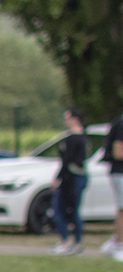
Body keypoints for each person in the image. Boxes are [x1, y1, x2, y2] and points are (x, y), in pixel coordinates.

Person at [49, 108, 89, 256]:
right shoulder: (83, 137)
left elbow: (67, 160)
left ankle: (68, 241)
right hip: (76, 177)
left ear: (75, 119)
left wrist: (58, 178)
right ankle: (75, 242)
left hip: (71, 178)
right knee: (73, 210)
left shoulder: (74, 138)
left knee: (62, 208)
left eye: (68, 118)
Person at [100, 115, 123, 259]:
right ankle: (120, 245)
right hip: (121, 172)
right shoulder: (122, 125)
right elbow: (118, 152)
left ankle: (115, 241)